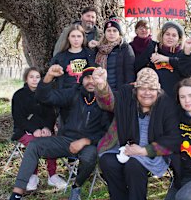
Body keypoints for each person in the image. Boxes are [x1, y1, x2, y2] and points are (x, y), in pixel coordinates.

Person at [8, 64, 113, 200]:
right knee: (34, 146)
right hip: (65, 140)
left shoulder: (105, 100)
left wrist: (86, 141)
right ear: (81, 79)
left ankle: (76, 186)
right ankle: (17, 193)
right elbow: (44, 97)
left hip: (89, 144)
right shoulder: (73, 93)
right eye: (87, 77)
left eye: (95, 78)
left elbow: (108, 131)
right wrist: (49, 76)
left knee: (89, 157)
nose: (91, 81)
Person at [93, 67, 181, 200]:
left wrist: (144, 150)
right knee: (107, 162)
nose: (147, 93)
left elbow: (173, 139)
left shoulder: (166, 105)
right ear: (136, 89)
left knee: (133, 165)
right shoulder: (127, 97)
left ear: (158, 91)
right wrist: (101, 86)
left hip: (152, 152)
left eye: (151, 89)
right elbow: (109, 103)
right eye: (142, 88)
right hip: (124, 146)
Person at [10, 67, 66, 192]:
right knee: (33, 144)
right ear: (26, 79)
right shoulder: (19, 95)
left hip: (44, 130)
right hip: (25, 130)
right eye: (31, 77)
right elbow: (18, 118)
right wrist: (34, 129)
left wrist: (47, 128)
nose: (34, 80)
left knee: (51, 142)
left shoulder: (45, 94)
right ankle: (32, 175)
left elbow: (51, 115)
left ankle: (52, 176)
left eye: (37, 77)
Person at [133, 21, 186, 98]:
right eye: (167, 34)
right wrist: (149, 50)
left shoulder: (183, 54)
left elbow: (186, 68)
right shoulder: (154, 49)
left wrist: (167, 59)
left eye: (174, 35)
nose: (170, 37)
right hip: (156, 100)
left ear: (179, 38)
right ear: (162, 36)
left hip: (176, 100)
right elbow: (137, 67)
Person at [94, 15, 135, 91]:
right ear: (105, 33)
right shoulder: (99, 49)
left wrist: (128, 91)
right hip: (102, 90)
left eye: (114, 30)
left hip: (119, 91)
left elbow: (129, 72)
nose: (111, 33)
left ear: (119, 33)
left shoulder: (125, 48)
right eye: (109, 31)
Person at [50, 24, 95, 89]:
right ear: (68, 38)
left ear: (83, 38)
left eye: (79, 36)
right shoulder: (59, 57)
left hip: (84, 94)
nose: (76, 39)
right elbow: (51, 76)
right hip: (65, 94)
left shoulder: (90, 54)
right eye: (73, 36)